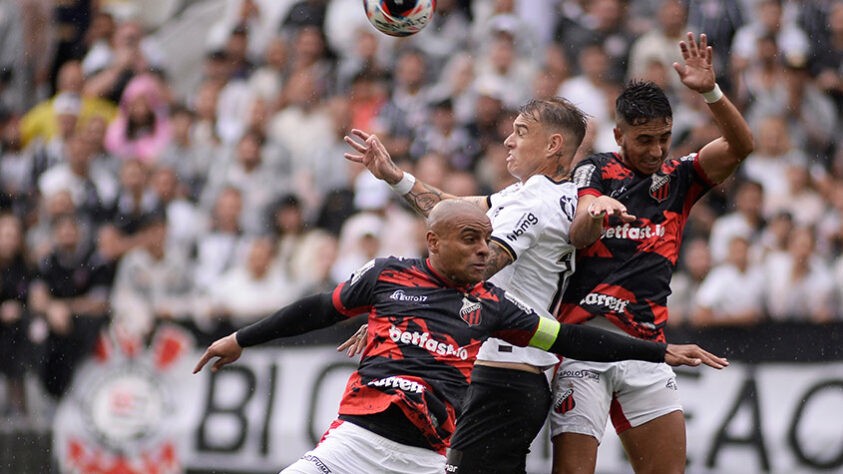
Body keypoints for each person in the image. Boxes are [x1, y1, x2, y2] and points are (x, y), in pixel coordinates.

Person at [194, 201, 727, 474]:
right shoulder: (386, 275)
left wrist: (659, 351)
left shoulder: (494, 306)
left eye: (488, 242)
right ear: (435, 241)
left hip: (426, 461)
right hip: (353, 447)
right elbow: (316, 308)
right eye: (470, 240)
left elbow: (571, 339)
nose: (483, 252)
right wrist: (241, 338)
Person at [341, 96, 598, 473]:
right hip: (512, 378)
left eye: (521, 132)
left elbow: (477, 269)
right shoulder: (536, 194)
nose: (508, 141)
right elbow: (455, 211)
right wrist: (396, 177)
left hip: (503, 376)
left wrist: (400, 307)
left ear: (553, 145)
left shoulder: (533, 203)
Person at [551, 33, 754, 474]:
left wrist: (711, 93)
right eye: (644, 140)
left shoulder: (679, 176)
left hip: (647, 348)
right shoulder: (597, 169)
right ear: (618, 132)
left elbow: (741, 148)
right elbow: (580, 229)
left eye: (664, 138)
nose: (656, 150)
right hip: (585, 344)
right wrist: (596, 213)